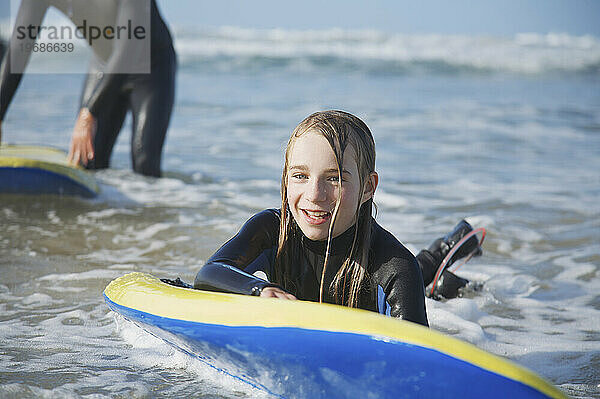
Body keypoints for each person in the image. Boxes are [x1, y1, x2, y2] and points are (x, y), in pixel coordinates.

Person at [192, 110, 483, 327]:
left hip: (397, 270)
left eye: (334, 178)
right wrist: (260, 290)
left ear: (368, 187)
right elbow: (210, 273)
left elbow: (415, 362)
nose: (314, 194)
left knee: (424, 281)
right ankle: (443, 249)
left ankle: (444, 251)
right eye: (300, 176)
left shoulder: (397, 267)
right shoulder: (271, 229)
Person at [0, 0, 176, 177]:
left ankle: (153, 202)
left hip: (152, 69)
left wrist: (89, 113)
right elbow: (18, 51)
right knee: (87, 161)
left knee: (144, 162)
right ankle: (106, 205)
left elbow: (127, 51)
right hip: (103, 65)